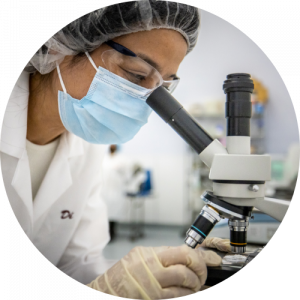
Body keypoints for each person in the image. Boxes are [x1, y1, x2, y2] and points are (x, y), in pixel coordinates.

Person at [0, 1, 231, 297]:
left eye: (162, 88)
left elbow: (79, 266)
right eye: (136, 75)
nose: (145, 98)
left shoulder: (88, 148)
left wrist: (160, 272)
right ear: (62, 47)